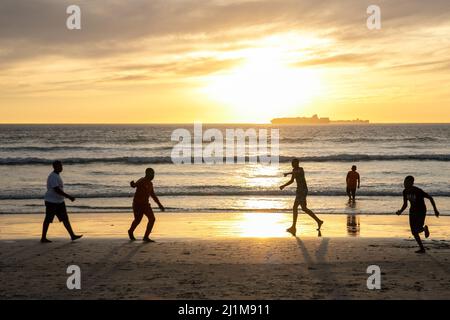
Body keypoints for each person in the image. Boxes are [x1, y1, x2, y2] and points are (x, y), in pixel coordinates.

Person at [41, 161, 82, 243]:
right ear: (54, 167)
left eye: (61, 166)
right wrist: (69, 196)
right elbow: (56, 190)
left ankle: (72, 235)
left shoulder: (56, 175)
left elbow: (58, 189)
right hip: (51, 201)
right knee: (48, 219)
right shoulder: (53, 176)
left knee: (65, 219)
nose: (61, 167)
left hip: (59, 201)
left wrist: (65, 197)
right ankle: (43, 237)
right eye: (59, 166)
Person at [396, 176, 440, 254]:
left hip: (421, 211)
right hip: (412, 211)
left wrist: (435, 210)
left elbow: (430, 198)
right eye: (404, 182)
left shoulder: (418, 191)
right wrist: (400, 211)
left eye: (406, 182)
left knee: (418, 228)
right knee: (414, 232)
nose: (404, 184)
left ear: (411, 183)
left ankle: (424, 229)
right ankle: (422, 248)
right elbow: (405, 204)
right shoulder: (405, 191)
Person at [280, 159, 323, 236]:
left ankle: (294, 227)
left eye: (294, 163)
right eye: (292, 163)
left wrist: (288, 173)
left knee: (295, 207)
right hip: (299, 191)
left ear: (297, 163)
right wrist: (284, 185)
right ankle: (318, 221)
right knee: (303, 208)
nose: (292, 164)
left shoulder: (300, 169)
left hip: (303, 190)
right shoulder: (294, 170)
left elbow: (296, 172)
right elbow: (292, 181)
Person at [128, 168, 165, 242]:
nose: (153, 176)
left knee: (152, 219)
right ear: (147, 174)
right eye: (152, 174)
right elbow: (134, 185)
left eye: (153, 174)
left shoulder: (150, 184)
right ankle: (130, 231)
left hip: (146, 205)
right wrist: (132, 184)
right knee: (137, 220)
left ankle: (146, 237)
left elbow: (153, 195)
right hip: (137, 204)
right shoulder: (142, 180)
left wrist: (160, 205)